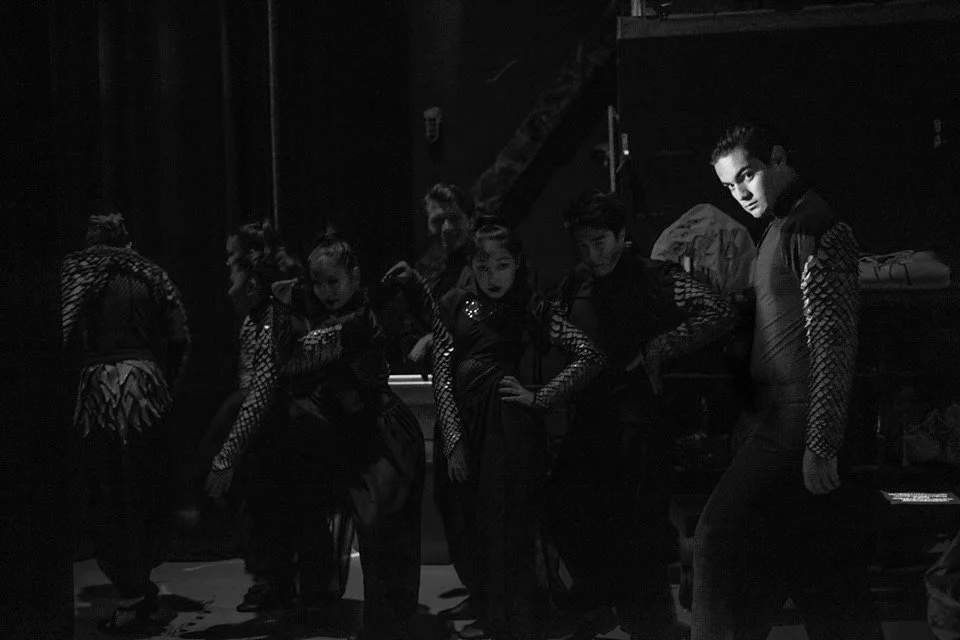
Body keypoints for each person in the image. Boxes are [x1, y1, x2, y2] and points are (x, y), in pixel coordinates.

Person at [693, 121, 878, 639]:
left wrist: (820, 442)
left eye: (746, 176)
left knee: (716, 540)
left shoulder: (815, 226)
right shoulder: (779, 228)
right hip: (777, 425)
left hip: (794, 430)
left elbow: (834, 345)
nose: (740, 194)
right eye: (729, 187)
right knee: (819, 571)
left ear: (777, 157)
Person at [386, 215, 607, 640]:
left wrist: (541, 397)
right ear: (472, 266)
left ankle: (512, 623)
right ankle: (493, 613)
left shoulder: (531, 306)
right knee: (461, 519)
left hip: (508, 428)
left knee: (504, 526)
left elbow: (590, 354)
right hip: (465, 424)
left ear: (517, 263)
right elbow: (444, 369)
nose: (492, 276)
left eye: (502, 265)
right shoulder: (455, 302)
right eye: (483, 267)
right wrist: (452, 440)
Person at [207, 230, 425, 640]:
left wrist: (281, 307)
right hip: (360, 434)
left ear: (355, 277)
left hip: (385, 435)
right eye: (319, 282)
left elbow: (291, 361)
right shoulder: (336, 318)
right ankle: (380, 622)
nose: (326, 291)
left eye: (334, 281)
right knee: (370, 530)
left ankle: (389, 625)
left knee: (382, 532)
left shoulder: (355, 322)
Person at [549, 191, 736, 640]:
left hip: (638, 421)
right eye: (583, 244)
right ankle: (605, 600)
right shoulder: (576, 281)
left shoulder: (655, 277)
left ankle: (647, 622)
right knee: (564, 509)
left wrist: (656, 348)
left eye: (600, 242)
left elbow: (720, 310)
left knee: (638, 526)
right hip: (591, 418)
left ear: (620, 236)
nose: (592, 254)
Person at [61, 213, 190, 633]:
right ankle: (139, 582)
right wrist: (159, 380)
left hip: (101, 392)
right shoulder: (152, 277)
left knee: (110, 489)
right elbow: (179, 337)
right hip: (144, 387)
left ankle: (131, 588)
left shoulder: (80, 274)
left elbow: (62, 332)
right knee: (142, 484)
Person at [381, 183, 475, 372]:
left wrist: (430, 340)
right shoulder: (422, 268)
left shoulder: (481, 266)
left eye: (454, 219)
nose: (447, 228)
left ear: (470, 221)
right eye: (439, 220)